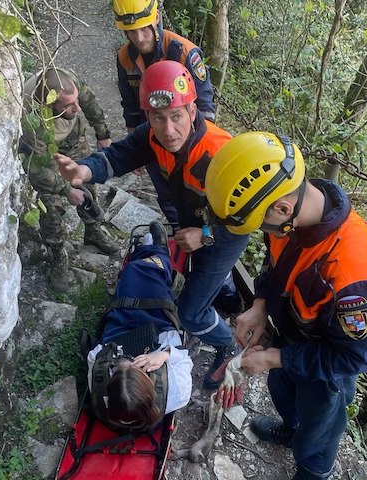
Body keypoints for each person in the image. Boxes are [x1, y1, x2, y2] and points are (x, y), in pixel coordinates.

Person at [204, 132, 367, 480]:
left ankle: (312, 470)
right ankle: (290, 428)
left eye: (261, 224)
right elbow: (274, 264)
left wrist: (275, 357)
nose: (264, 231)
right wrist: (260, 304)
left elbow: (355, 357)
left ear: (282, 208)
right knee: (283, 392)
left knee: (317, 435)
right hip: (287, 338)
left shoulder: (355, 276)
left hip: (326, 367)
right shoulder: (288, 216)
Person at [55, 61, 249, 389]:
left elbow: (245, 219)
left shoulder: (221, 154)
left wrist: (204, 235)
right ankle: (220, 291)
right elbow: (116, 157)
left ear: (192, 110)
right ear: (148, 116)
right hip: (190, 223)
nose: (168, 129)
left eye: (176, 117)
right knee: (194, 274)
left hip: (221, 235)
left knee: (190, 313)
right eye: (158, 118)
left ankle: (226, 344)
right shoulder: (152, 137)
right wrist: (83, 171)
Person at [112, 0, 216, 224]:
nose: (139, 38)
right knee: (165, 192)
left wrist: (196, 148)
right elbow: (130, 104)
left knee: (195, 192)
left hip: (187, 138)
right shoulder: (125, 57)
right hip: (151, 133)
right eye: (131, 32)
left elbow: (205, 106)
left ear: (156, 18)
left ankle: (200, 232)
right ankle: (177, 232)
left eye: (143, 29)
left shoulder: (184, 53)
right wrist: (135, 145)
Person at [20, 67, 120, 291]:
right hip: (45, 153)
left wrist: (103, 134)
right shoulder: (31, 122)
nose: (77, 108)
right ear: (49, 103)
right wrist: (66, 189)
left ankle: (92, 229)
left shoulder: (69, 82)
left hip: (72, 138)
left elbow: (88, 102)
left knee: (86, 177)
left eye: (75, 102)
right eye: (68, 105)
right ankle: (57, 253)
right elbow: (36, 170)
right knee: (50, 203)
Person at [87, 221, 192, 430]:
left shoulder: (99, 385)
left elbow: (94, 355)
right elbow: (186, 360)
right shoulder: (178, 391)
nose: (132, 361)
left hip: (117, 332)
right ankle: (158, 251)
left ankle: (143, 253)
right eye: (137, 367)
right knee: (151, 278)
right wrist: (164, 355)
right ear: (148, 384)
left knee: (131, 277)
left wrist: (116, 358)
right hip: (159, 330)